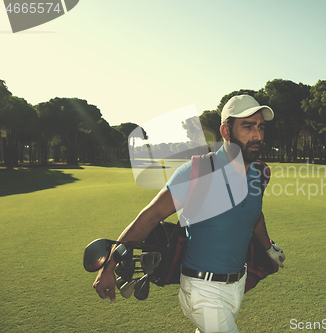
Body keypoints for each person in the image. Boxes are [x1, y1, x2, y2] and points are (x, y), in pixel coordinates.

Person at [93, 94, 285, 333]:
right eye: (248, 126)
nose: (257, 135)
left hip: (236, 286)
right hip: (202, 291)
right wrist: (108, 266)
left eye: (261, 127)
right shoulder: (198, 172)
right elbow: (149, 217)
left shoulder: (258, 173)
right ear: (226, 132)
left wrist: (268, 248)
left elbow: (253, 214)